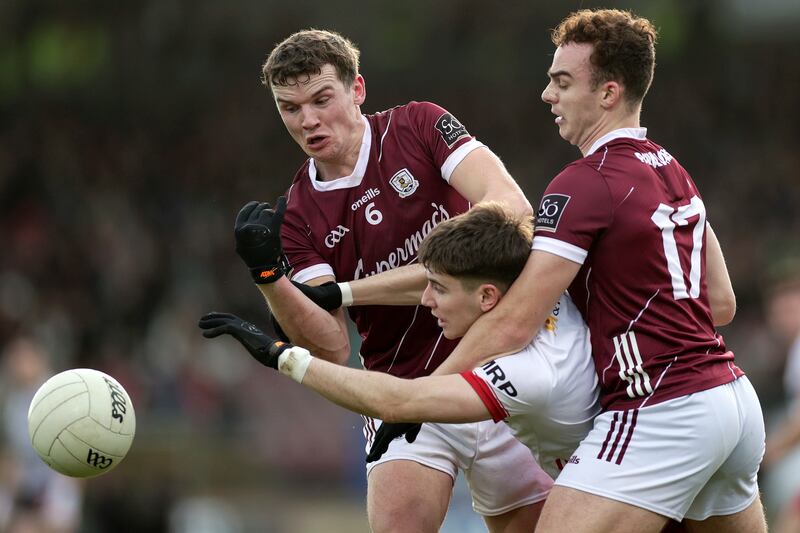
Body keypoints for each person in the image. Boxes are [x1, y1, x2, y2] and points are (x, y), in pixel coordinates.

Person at [368, 9, 765, 533]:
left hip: (660, 407)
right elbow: (720, 303)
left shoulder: (583, 182)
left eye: (561, 81)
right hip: (732, 401)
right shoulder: (672, 169)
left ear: (608, 93)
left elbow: (513, 322)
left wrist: (417, 402)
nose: (547, 95)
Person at [233, 29, 549, 533]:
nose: (308, 120)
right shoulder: (296, 216)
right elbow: (333, 348)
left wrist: (351, 289)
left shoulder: (418, 126)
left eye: (321, 99)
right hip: (401, 391)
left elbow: (512, 212)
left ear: (357, 89)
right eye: (290, 108)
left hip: (499, 368)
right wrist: (270, 278)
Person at [201, 202, 600, 481]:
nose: (425, 300)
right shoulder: (534, 277)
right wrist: (338, 293)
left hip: (597, 479)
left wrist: (281, 356)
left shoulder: (527, 374)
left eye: (438, 290)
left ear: (487, 298)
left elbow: (398, 403)